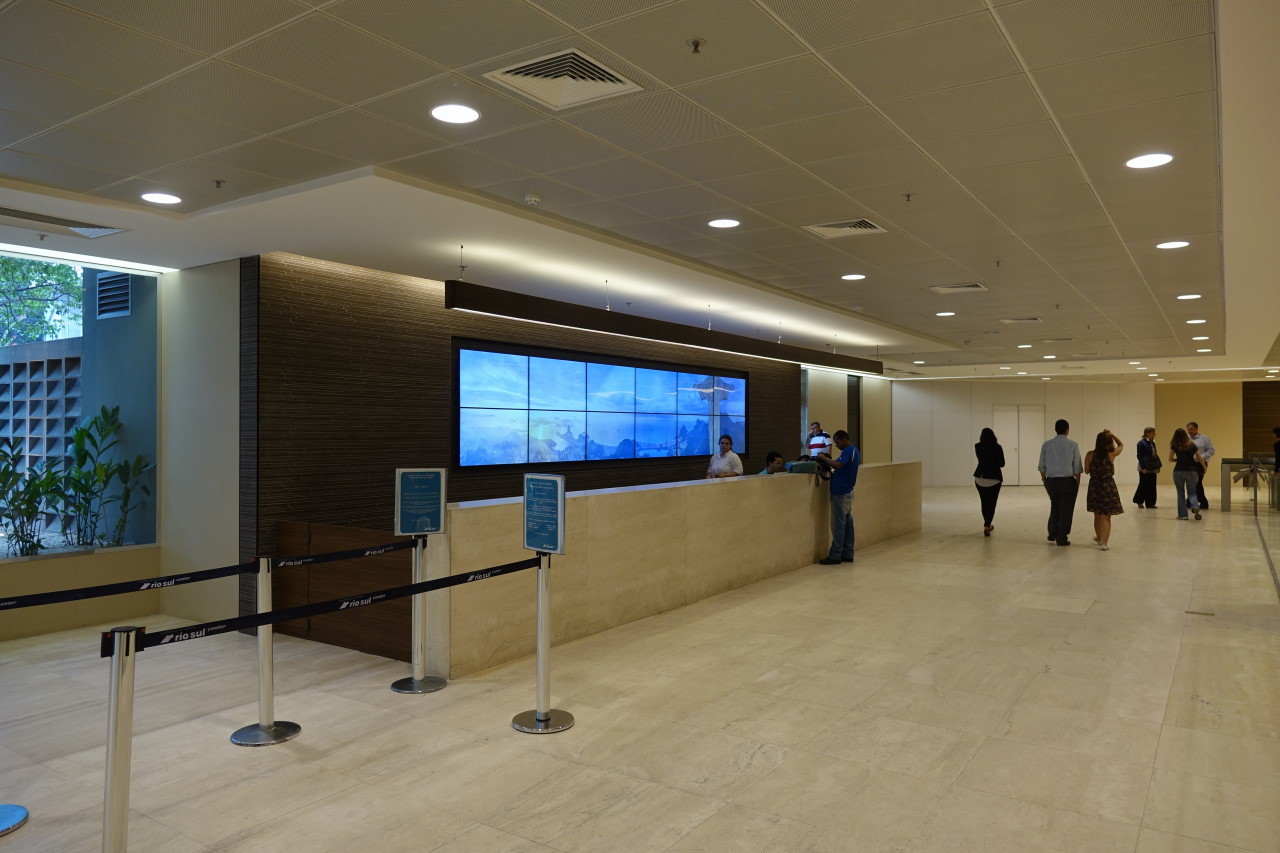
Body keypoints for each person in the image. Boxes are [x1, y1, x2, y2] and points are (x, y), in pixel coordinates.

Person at [816, 430, 860, 565]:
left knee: (838, 525)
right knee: (847, 525)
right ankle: (847, 554)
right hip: (847, 491)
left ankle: (835, 555)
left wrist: (823, 458)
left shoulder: (848, 450)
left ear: (844, 439)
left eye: (837, 442)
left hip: (841, 492)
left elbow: (837, 464)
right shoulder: (854, 450)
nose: (836, 445)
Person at [1038, 419, 1083, 546]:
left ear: (1055, 430)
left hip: (1051, 482)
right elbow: (1077, 466)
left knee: (1055, 506)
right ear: (1067, 430)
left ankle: (1052, 532)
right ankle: (1061, 537)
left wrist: (1044, 480)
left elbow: (1041, 466)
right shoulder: (1073, 445)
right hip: (1068, 482)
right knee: (1066, 510)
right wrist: (1077, 483)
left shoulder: (1046, 445)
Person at [1085, 430, 1125, 550]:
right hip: (1108, 486)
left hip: (1094, 486)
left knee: (1097, 514)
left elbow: (1086, 471)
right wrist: (1113, 435)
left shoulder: (1090, 454)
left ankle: (1099, 538)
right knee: (1106, 516)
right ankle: (1104, 543)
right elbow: (1121, 445)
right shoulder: (1111, 454)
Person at [973, 427, 1005, 536]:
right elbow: (1002, 464)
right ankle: (987, 525)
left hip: (980, 478)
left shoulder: (977, 446)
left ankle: (987, 524)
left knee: (984, 502)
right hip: (994, 479)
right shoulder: (997, 447)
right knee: (992, 503)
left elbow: (981, 460)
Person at [1169, 427, 1205, 520]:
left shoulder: (1174, 445)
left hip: (1178, 471)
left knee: (1180, 493)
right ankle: (1195, 507)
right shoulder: (1191, 444)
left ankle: (1183, 515)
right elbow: (1199, 457)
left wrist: (1178, 460)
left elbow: (1170, 459)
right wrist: (1204, 468)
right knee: (1192, 492)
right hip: (1192, 471)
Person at [1187, 422, 1215, 510]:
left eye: (1191, 429)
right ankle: (1190, 501)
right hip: (1190, 464)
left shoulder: (1204, 438)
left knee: (1197, 482)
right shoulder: (1186, 439)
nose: (1189, 431)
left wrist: (1201, 457)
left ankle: (1203, 502)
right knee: (1192, 483)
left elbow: (1211, 450)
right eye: (1188, 429)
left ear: (1196, 429)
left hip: (1200, 464)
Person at [1132, 427, 1160, 508]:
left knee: (1152, 485)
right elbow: (1139, 456)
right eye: (1153, 433)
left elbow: (1155, 455)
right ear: (1148, 433)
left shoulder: (1152, 443)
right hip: (1144, 467)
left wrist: (1157, 467)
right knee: (1143, 485)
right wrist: (1143, 467)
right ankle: (1139, 501)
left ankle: (1150, 503)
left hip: (1152, 467)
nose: (1155, 434)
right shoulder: (1141, 443)